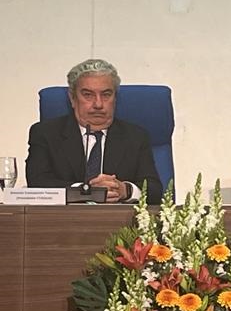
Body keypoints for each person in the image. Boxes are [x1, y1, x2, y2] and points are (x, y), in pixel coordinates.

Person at [25, 59, 163, 203]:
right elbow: (37, 183)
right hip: (64, 221)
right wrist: (85, 191)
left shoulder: (136, 137)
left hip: (118, 222)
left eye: (106, 94)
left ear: (115, 98)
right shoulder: (45, 133)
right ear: (72, 98)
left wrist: (125, 190)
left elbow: (155, 190)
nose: (98, 104)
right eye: (88, 95)